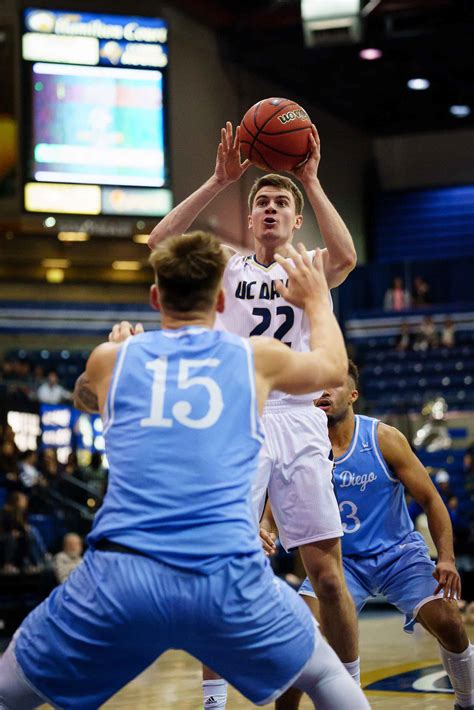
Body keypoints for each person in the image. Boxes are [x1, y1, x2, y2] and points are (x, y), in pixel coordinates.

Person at [0, 233, 369, 710]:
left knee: (8, 692)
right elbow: (333, 366)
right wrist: (318, 298)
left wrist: (119, 354)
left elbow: (86, 397)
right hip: (224, 570)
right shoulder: (254, 357)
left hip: (123, 573)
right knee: (326, 676)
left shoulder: (111, 359)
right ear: (219, 301)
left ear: (156, 298)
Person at [148, 123, 360, 706]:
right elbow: (160, 242)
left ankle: (348, 688)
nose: (269, 208)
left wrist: (311, 182)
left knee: (328, 575)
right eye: (261, 202)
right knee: (223, 569)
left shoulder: (309, 267)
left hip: (297, 415)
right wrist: (219, 182)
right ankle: (214, 701)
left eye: (280, 203)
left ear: (295, 221)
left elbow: (347, 255)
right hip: (239, 418)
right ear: (249, 220)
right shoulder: (226, 265)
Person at [269, 360, 473, 710]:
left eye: (332, 385)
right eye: (317, 385)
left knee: (450, 623)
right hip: (339, 563)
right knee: (299, 641)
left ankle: (467, 703)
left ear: (352, 394)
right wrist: (263, 528)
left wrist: (447, 559)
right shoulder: (300, 444)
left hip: (399, 556)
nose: (323, 392)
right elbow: (273, 505)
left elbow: (431, 499)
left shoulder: (382, 438)